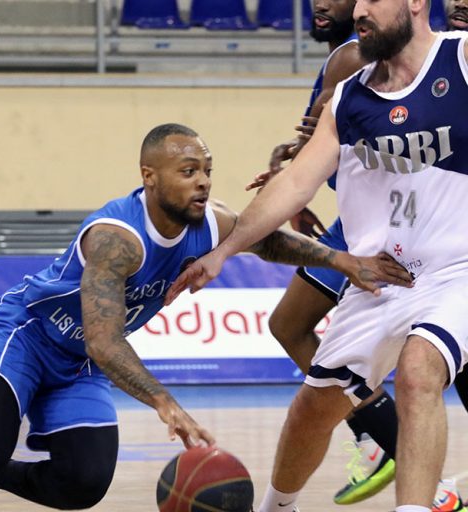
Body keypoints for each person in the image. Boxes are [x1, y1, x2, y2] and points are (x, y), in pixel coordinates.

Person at [0, 123, 412, 512]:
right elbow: (104, 342)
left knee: (82, 485)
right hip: (28, 338)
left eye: (207, 170)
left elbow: (267, 240)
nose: (203, 182)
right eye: (188, 172)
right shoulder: (116, 239)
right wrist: (164, 403)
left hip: (77, 365)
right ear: (149, 177)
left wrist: (343, 260)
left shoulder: (211, 223)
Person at [166, 1, 468, 511]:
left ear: (416, 2)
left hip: (456, 271)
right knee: (313, 408)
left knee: (420, 370)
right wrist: (224, 251)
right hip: (381, 279)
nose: (361, 10)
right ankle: (275, 508)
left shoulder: (460, 59)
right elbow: (296, 185)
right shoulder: (349, 97)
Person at [250, 0, 401, 506]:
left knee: (295, 330)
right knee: (294, 330)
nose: (320, 3)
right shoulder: (346, 55)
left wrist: (293, 182)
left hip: (373, 227)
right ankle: (378, 438)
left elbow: (347, 139)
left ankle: (390, 447)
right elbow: (327, 138)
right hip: (357, 219)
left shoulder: (353, 56)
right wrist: (291, 160)